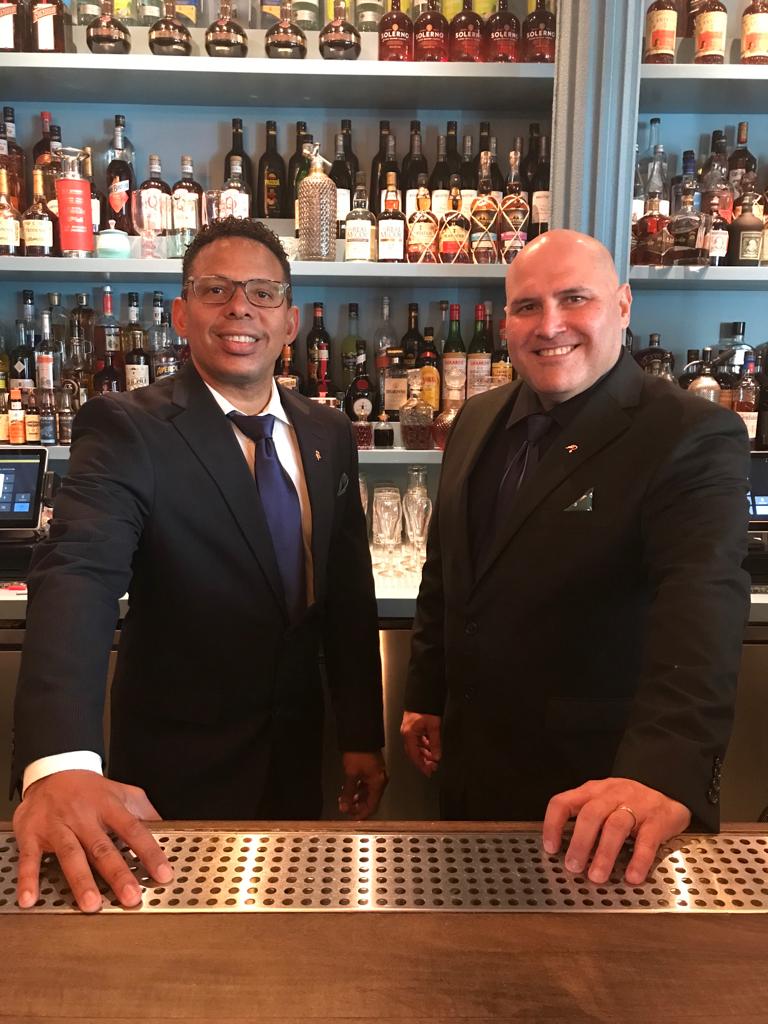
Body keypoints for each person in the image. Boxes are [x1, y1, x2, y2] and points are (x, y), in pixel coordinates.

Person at [12, 217, 387, 913]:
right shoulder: (128, 427)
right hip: (175, 772)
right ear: (183, 314)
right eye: (216, 290)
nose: (240, 307)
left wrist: (362, 735)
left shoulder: (327, 432)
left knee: (291, 935)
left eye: (262, 293)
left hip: (298, 752)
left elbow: (344, 591)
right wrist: (61, 761)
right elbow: (78, 574)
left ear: (290, 320)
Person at [401, 229, 750, 885]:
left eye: (575, 299)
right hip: (471, 776)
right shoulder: (477, 419)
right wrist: (427, 694)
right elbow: (448, 569)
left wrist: (660, 771)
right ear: (505, 321)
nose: (550, 325)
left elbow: (702, 607)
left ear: (621, 306)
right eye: (527, 306)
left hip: (602, 798)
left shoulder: (688, 434)